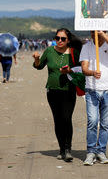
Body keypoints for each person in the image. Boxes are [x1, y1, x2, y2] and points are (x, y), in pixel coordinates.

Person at [32, 28, 82, 162]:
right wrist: (37, 59)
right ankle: (61, 149)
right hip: (52, 91)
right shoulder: (49, 51)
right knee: (58, 120)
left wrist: (69, 70)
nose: (59, 41)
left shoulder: (73, 52)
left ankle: (68, 149)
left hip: (69, 90)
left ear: (68, 40)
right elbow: (39, 66)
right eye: (57, 38)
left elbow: (81, 69)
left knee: (66, 118)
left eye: (63, 39)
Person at [80, 31, 108, 166]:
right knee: (92, 121)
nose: (94, 34)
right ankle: (91, 152)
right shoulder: (87, 47)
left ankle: (101, 151)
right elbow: (84, 68)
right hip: (92, 90)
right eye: (92, 32)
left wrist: (104, 35)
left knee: (105, 124)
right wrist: (92, 72)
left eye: (96, 31)